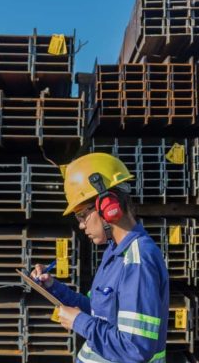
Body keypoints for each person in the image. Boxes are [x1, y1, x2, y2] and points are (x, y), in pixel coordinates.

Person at [31, 152, 170, 363]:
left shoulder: (138, 260)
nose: (80, 225)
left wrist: (79, 322)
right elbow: (98, 312)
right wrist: (52, 286)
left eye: (81, 215)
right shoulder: (114, 253)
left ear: (107, 206)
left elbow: (134, 349)